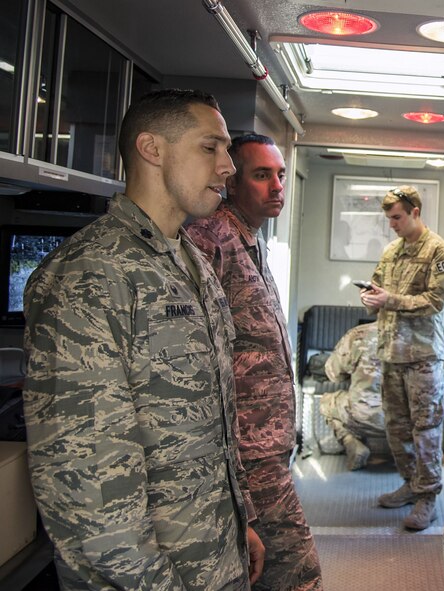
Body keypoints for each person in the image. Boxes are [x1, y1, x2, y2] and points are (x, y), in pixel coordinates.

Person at [23, 89, 265, 590]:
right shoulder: (90, 275)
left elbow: (212, 418)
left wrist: (239, 523)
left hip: (214, 553)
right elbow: (89, 480)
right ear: (152, 149)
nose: (227, 167)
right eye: (210, 148)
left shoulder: (188, 262)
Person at [186, 134, 322, 591]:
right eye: (262, 175)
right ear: (231, 181)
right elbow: (199, 363)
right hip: (245, 454)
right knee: (298, 575)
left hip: (266, 446)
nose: (277, 186)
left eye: (280, 175)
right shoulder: (210, 240)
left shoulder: (250, 240)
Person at [360, 185, 444, 530]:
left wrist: (390, 300)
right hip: (391, 354)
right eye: (389, 219)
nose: (393, 225)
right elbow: (375, 287)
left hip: (422, 358)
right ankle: (410, 484)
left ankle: (428, 497)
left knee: (426, 429)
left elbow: (435, 302)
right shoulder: (391, 251)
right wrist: (370, 299)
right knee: (397, 428)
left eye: (397, 217)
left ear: (415, 211)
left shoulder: (439, 251)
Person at [320, 320, 386, 471]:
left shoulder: (358, 335)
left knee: (326, 402)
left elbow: (334, 374)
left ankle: (351, 442)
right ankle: (409, 452)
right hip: (406, 421)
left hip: (362, 416)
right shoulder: (420, 336)